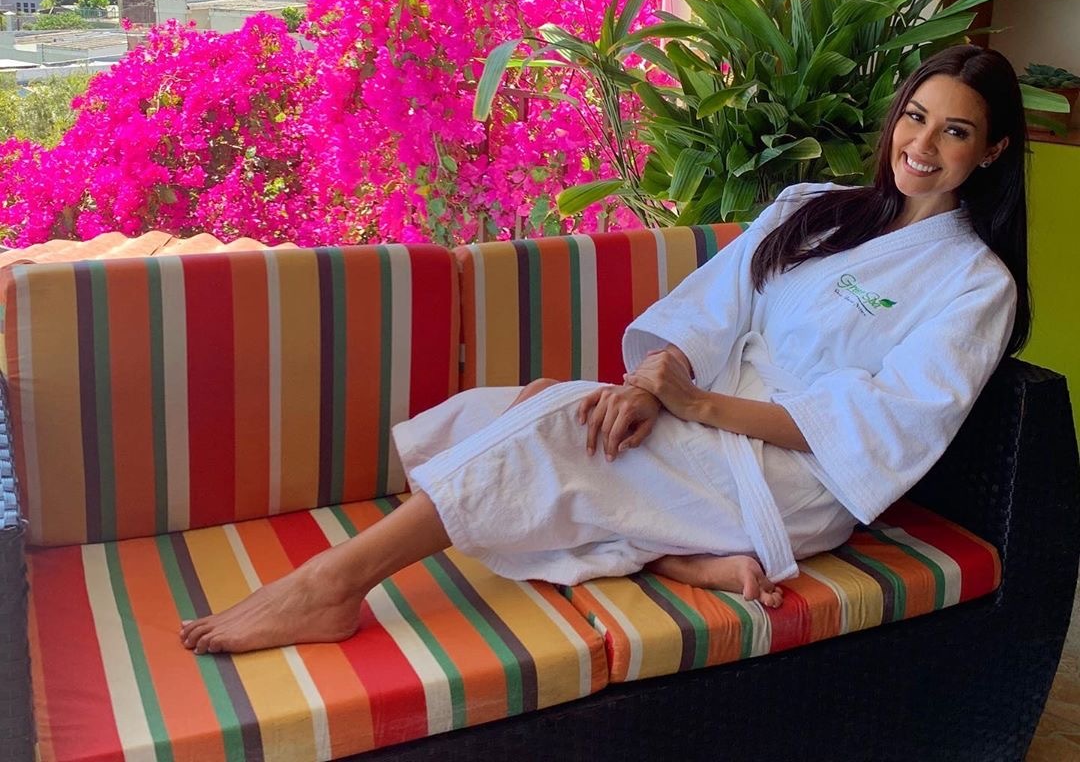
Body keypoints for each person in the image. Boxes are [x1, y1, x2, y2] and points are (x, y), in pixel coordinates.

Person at [180, 44, 1029, 655]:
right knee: (527, 409)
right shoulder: (814, 207)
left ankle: (331, 586)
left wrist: (697, 405)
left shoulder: (974, 284)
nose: (922, 146)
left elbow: (881, 423)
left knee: (554, 427)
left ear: (991, 152)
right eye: (916, 116)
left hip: (794, 477)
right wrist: (654, 388)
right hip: (703, 424)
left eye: (955, 132)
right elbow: (710, 310)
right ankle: (675, 553)